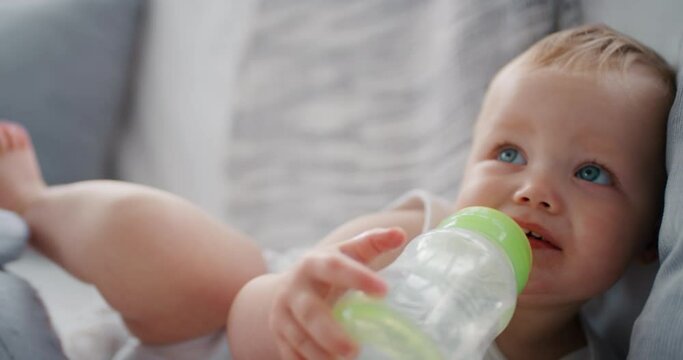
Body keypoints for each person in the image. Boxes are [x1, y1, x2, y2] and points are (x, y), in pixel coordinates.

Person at [0, 23, 676, 359]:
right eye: (507, 153)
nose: (532, 191)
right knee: (206, 272)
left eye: (589, 173)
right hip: (230, 332)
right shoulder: (416, 235)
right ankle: (33, 201)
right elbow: (249, 315)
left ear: (650, 237)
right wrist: (296, 308)